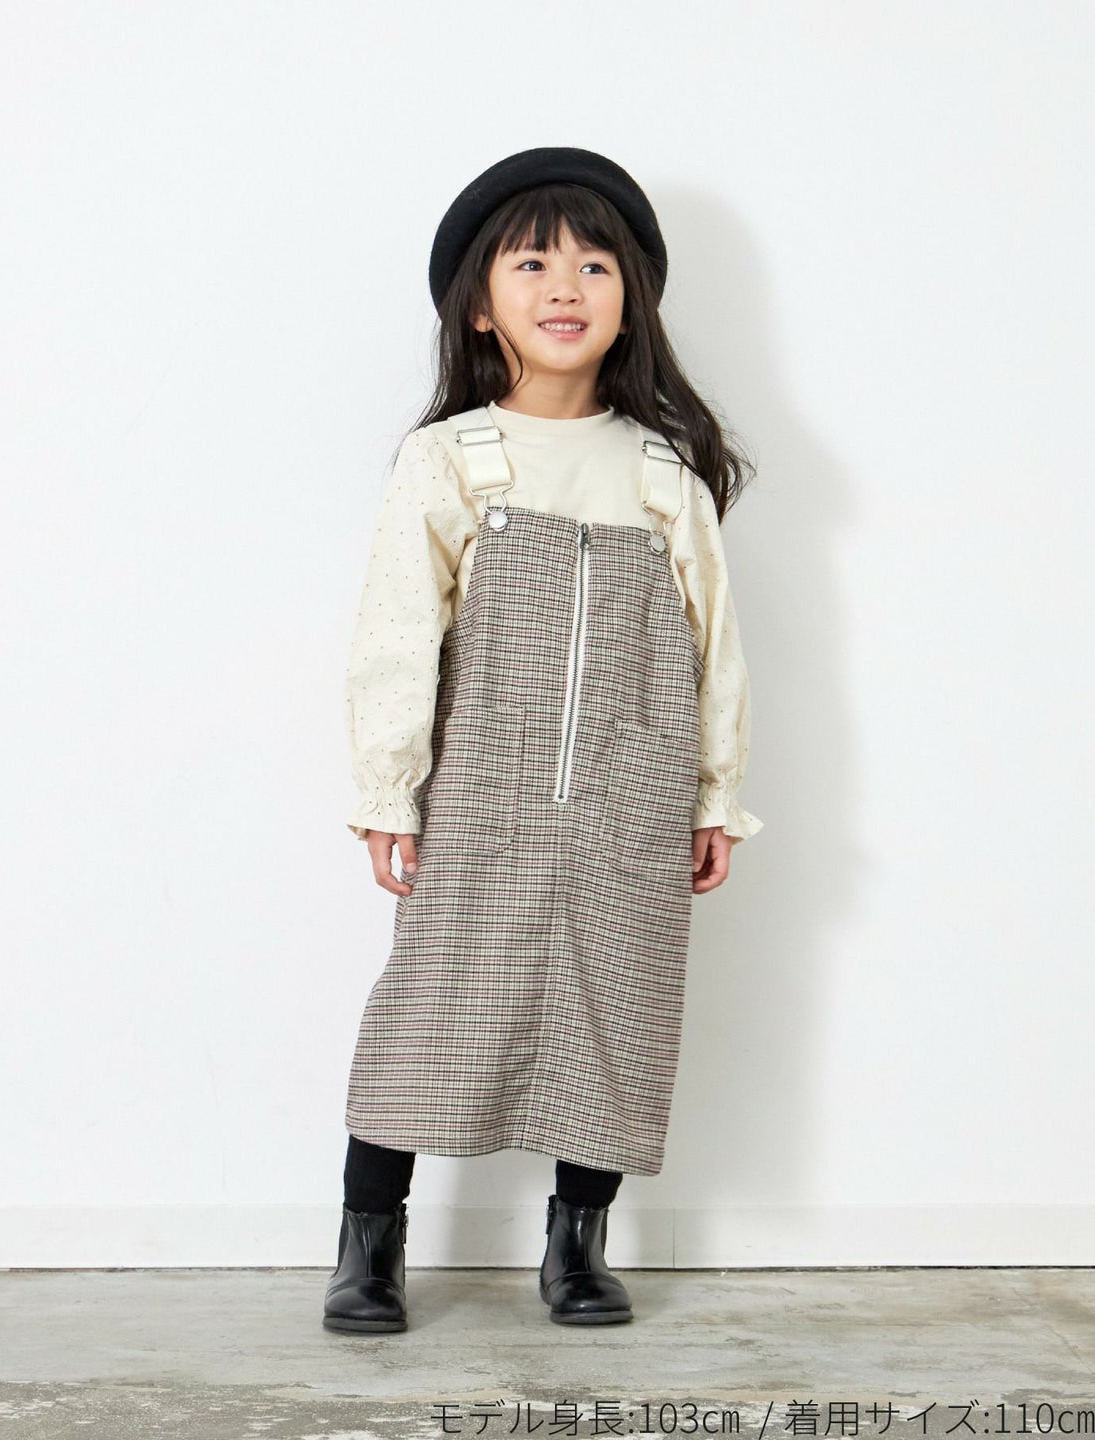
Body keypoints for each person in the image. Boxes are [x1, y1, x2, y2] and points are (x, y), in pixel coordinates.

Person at [324, 147, 763, 1334]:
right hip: (481, 793)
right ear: (481, 304)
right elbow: (396, 635)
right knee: (428, 1011)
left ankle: (578, 1245)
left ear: (631, 302)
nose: (565, 285)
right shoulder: (454, 458)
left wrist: (714, 795)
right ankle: (369, 1244)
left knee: (616, 1011)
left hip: (633, 792)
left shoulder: (661, 472)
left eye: (594, 264)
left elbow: (715, 646)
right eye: (532, 263)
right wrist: (388, 791)